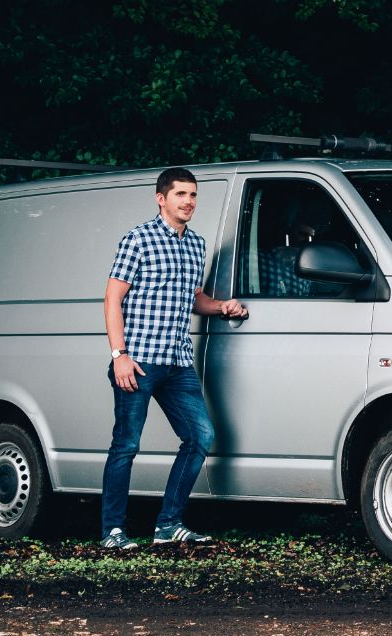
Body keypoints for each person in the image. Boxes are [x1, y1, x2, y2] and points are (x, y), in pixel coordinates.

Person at [99, 167, 247, 549]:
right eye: (180, 194)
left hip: (178, 362)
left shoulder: (196, 244)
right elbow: (113, 298)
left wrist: (222, 307)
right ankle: (112, 531)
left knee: (200, 436)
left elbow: (193, 298)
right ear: (161, 198)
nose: (188, 202)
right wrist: (119, 355)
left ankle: (168, 524)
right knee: (126, 445)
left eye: (193, 195)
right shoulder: (138, 240)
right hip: (139, 361)